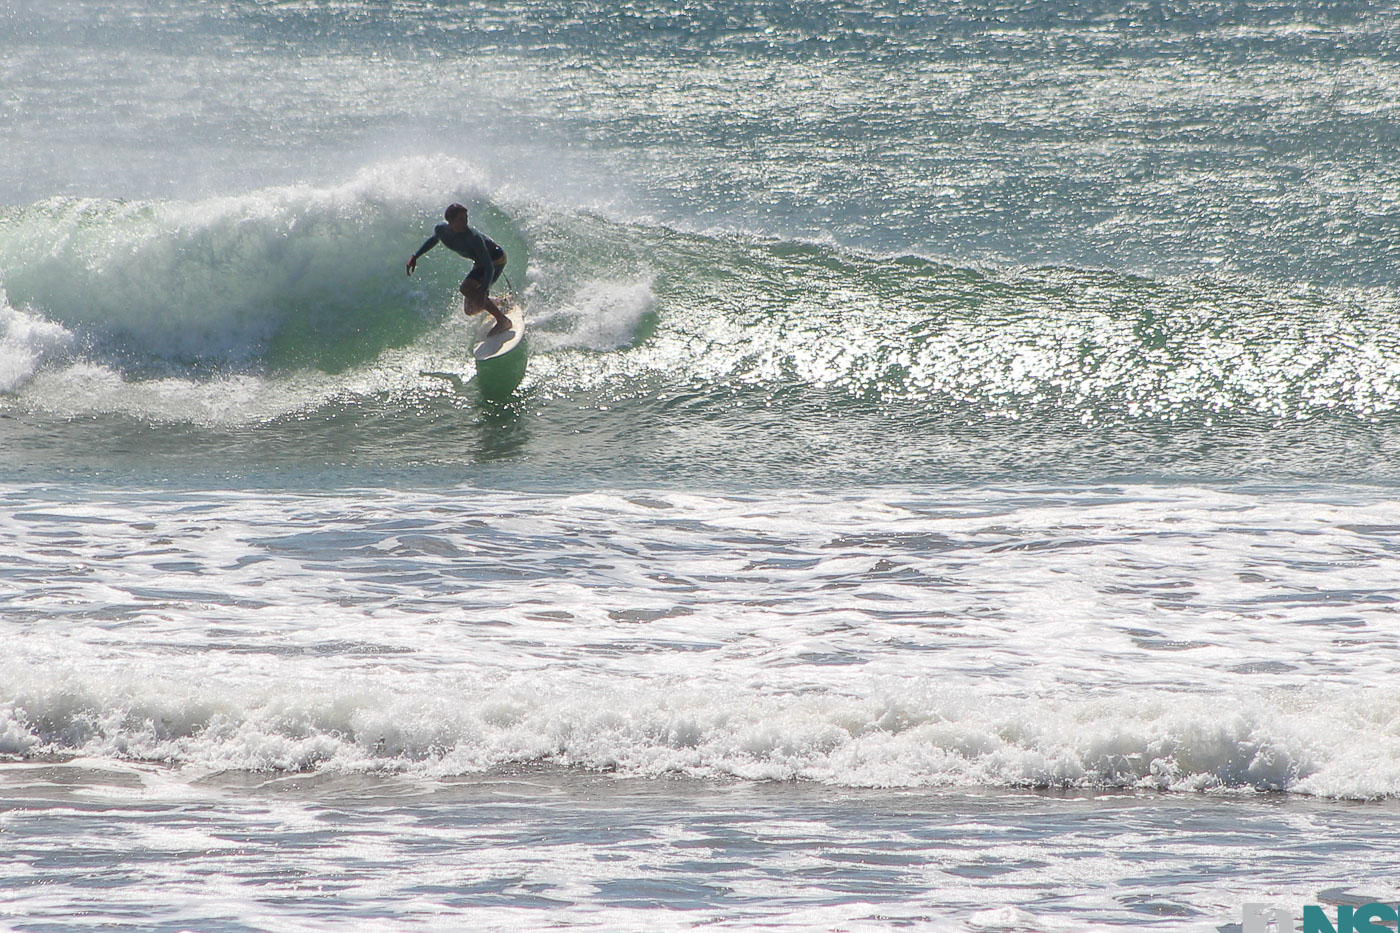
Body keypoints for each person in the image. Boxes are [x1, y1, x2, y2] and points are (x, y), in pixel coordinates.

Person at [406, 203, 512, 336]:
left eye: (466, 217)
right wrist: (416, 256)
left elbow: (489, 267)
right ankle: (500, 302)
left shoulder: (473, 237)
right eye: (461, 219)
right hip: (481, 263)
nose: (465, 222)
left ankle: (503, 321)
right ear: (450, 221)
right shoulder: (441, 230)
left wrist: (483, 290)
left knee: (466, 289)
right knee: (470, 309)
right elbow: (434, 239)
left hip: (495, 260)